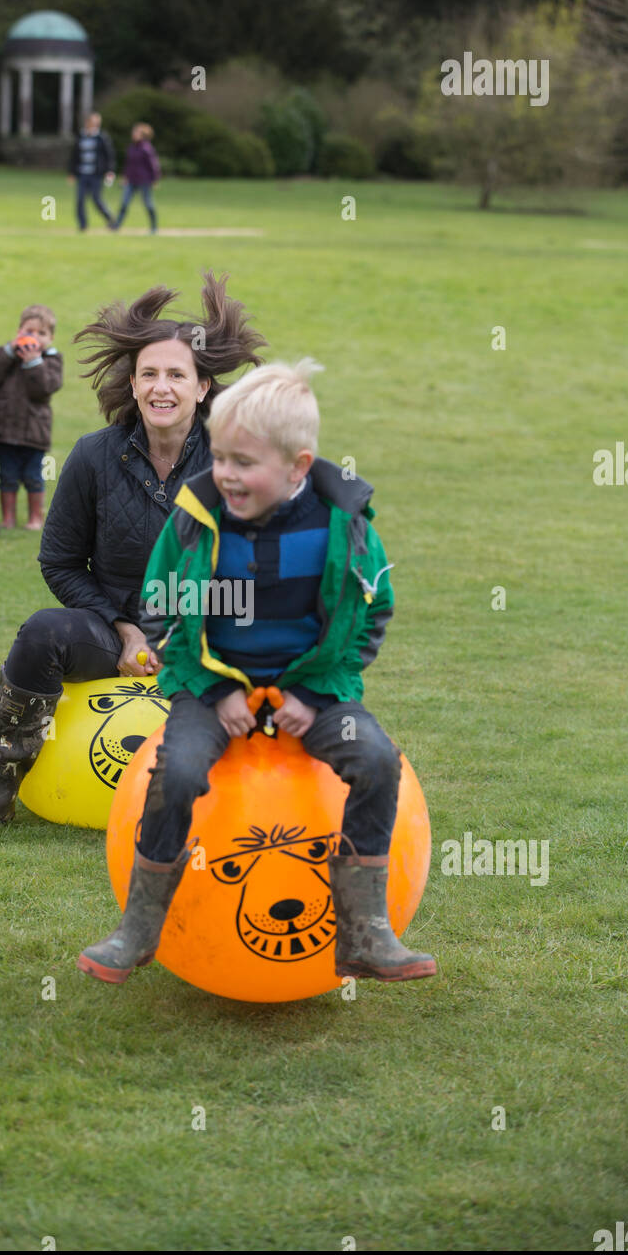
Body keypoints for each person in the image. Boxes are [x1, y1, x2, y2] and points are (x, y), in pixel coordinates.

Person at [77, 361, 438, 986]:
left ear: (298, 467)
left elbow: (371, 613)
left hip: (316, 693)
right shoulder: (195, 517)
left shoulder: (345, 526)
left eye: (244, 463)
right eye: (219, 457)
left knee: (376, 760)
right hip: (210, 690)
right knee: (180, 770)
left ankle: (364, 933)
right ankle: (139, 927)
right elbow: (158, 607)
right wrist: (215, 693)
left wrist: (313, 692)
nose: (225, 475)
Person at [0, 272, 266, 837]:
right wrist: (126, 630)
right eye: (149, 374)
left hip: (211, 632)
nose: (162, 387)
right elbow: (59, 561)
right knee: (41, 632)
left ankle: (250, 799)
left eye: (176, 375)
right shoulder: (92, 457)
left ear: (203, 387)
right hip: (112, 627)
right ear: (132, 384)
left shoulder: (235, 463)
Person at [0, 305, 63, 530]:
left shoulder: (51, 361)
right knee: (6, 476)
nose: (34, 338)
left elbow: (44, 388)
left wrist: (33, 363)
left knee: (33, 476)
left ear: (51, 338)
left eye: (42, 333)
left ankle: (35, 518)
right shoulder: (10, 357)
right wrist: (10, 350)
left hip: (34, 432)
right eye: (29, 331)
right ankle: (8, 518)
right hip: (5, 430)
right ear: (19, 332)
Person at [67, 111, 117, 232]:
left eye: (96, 123)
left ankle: (111, 219)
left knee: (96, 199)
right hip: (83, 173)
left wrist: (110, 171)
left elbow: (109, 156)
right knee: (80, 199)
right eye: (92, 122)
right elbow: (74, 155)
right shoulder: (81, 136)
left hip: (97, 174)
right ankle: (83, 225)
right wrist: (72, 172)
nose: (94, 125)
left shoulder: (102, 137)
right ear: (87, 123)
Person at [112, 123, 161, 233]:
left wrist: (155, 179)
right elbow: (128, 165)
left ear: (142, 135)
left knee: (148, 204)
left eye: (136, 132)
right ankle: (116, 225)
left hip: (144, 180)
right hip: (131, 180)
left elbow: (153, 165)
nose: (133, 134)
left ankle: (154, 227)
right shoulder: (132, 148)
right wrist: (125, 177)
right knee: (124, 202)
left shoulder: (147, 148)